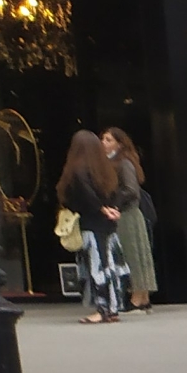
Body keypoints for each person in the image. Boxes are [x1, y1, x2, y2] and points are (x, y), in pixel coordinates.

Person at [58, 129, 127, 324]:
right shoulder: (105, 169)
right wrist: (112, 209)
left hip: (91, 223)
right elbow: (118, 192)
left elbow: (82, 196)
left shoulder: (78, 169)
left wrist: (100, 209)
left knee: (96, 266)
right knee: (111, 265)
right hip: (108, 225)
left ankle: (102, 308)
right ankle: (113, 308)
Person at [104, 127, 156, 311]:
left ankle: (137, 297)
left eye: (109, 140)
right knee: (137, 254)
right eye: (104, 139)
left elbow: (130, 189)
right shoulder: (116, 162)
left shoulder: (123, 162)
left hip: (127, 215)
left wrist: (113, 205)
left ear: (119, 143)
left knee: (132, 255)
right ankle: (142, 297)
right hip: (128, 213)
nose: (104, 143)